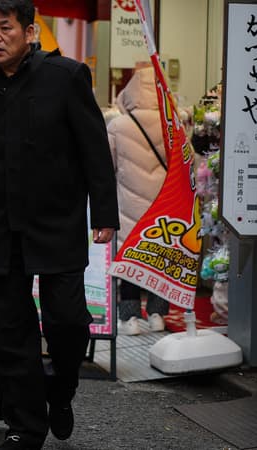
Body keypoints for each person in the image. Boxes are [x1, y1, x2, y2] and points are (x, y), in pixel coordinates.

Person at [0, 0, 119, 448]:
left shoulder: (65, 76)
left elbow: (94, 149)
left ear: (29, 31)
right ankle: (26, 426)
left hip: (56, 220)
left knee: (68, 321)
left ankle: (60, 389)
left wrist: (103, 213)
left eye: (5, 28)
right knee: (8, 329)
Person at [108, 65, 171, 336]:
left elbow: (106, 166)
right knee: (159, 258)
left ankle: (130, 318)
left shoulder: (119, 125)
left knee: (130, 260)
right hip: (164, 204)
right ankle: (157, 314)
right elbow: (185, 161)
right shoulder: (172, 122)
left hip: (128, 206)